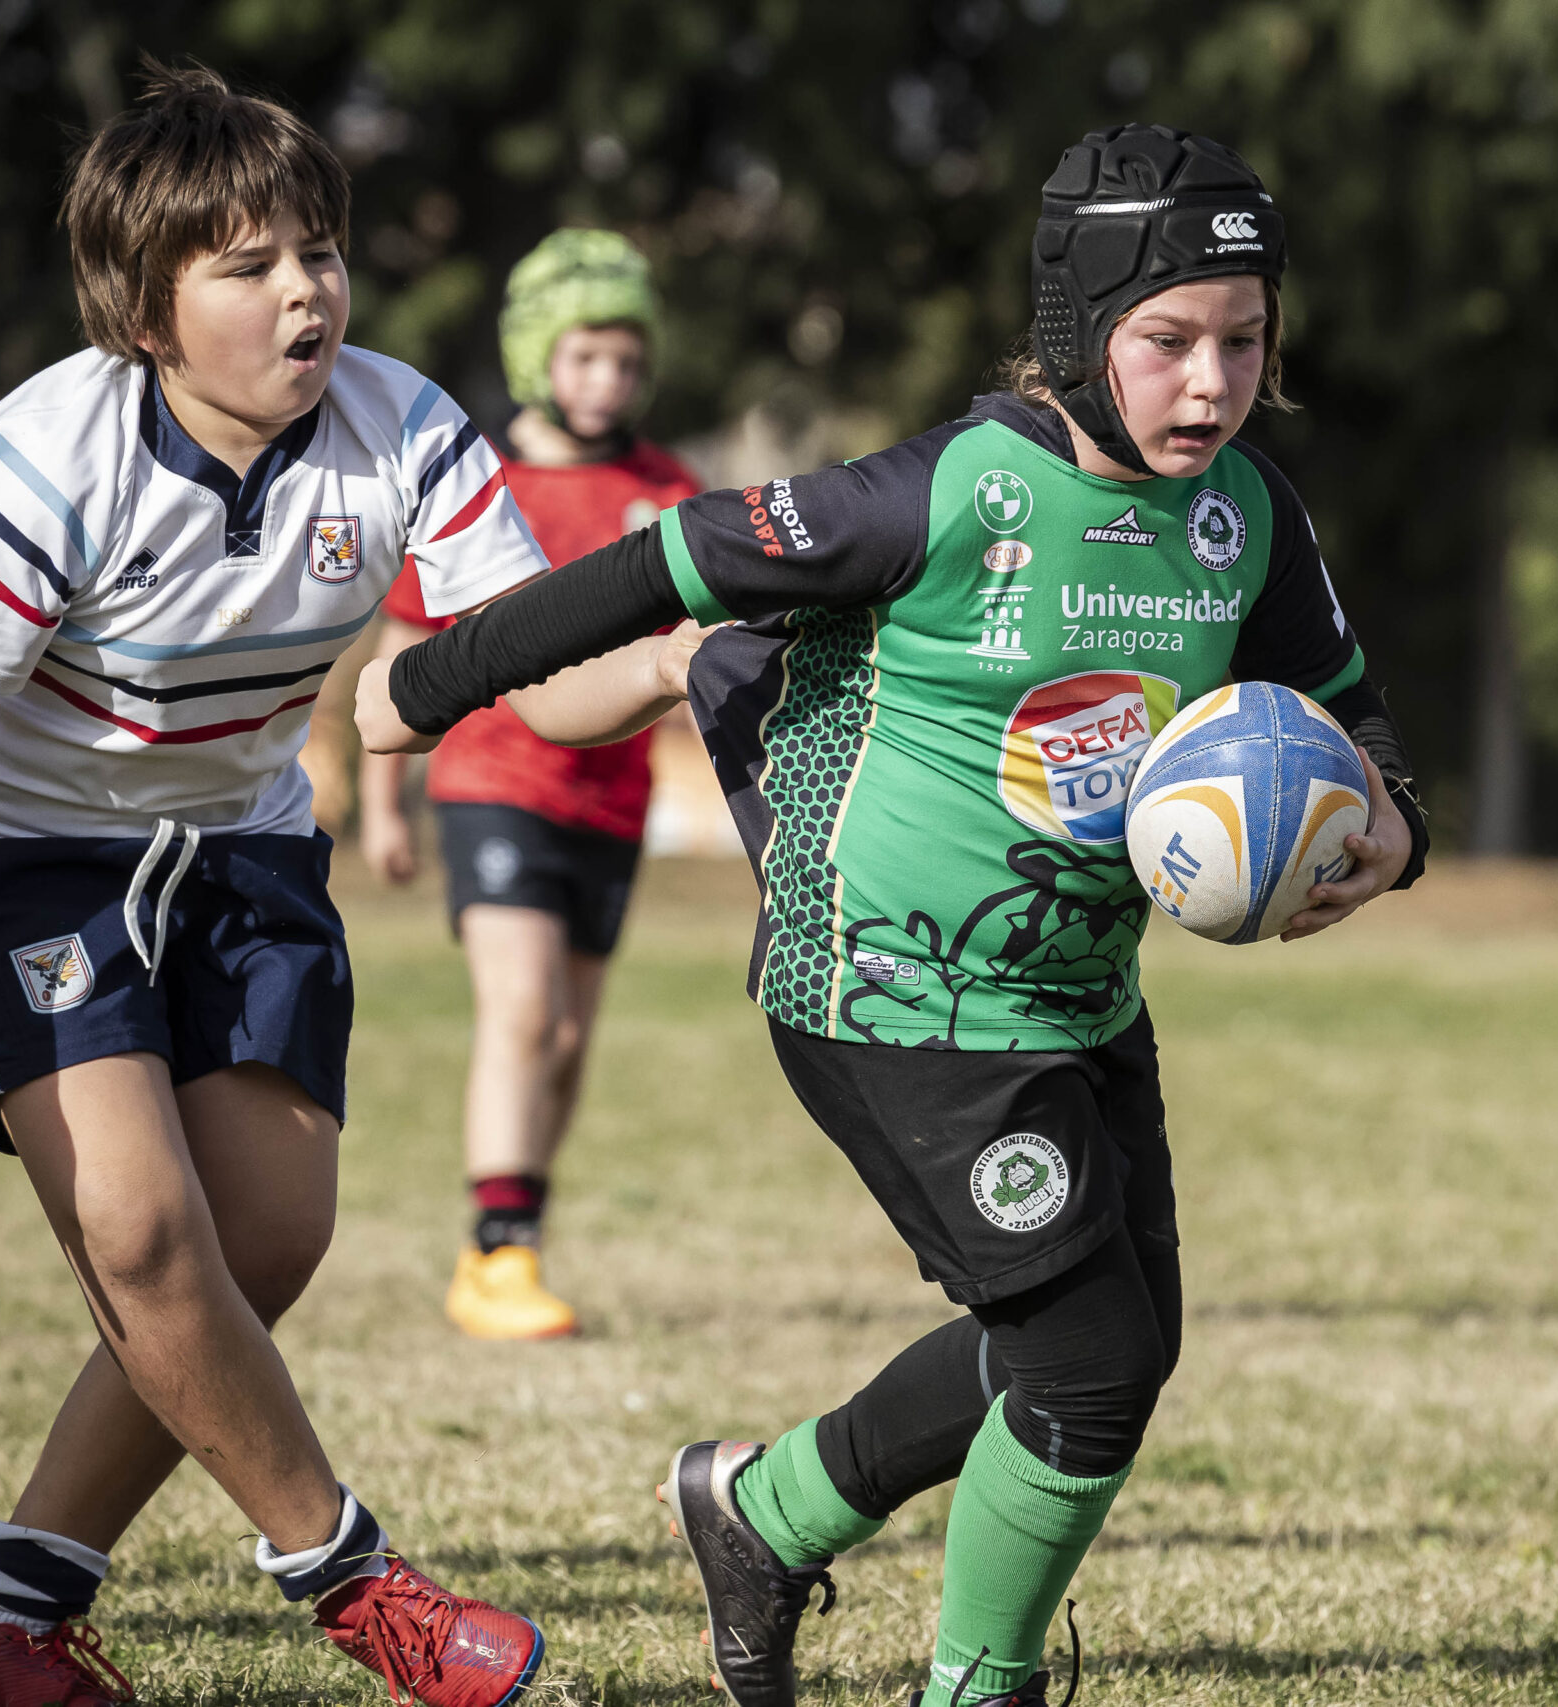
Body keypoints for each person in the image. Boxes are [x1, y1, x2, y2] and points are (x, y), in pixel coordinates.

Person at [359, 126, 1429, 1707]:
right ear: (1078, 332)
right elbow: (659, 567)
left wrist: (1390, 838)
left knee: (1102, 1345)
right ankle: (973, 1685)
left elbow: (1359, 717)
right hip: (885, 991)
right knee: (1088, 1360)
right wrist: (424, 688)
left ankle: (763, 1508)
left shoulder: (1246, 519)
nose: (1211, 383)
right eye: (1168, 341)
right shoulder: (938, 493)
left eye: (1246, 340)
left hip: (1078, 995)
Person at [0, 66, 550, 1707]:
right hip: (17, 850)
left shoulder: (403, 425)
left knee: (258, 1239)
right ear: (146, 308)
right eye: (248, 265)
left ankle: (5, 1627)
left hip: (240, 848)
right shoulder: (50, 465)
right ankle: (350, 1580)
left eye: (318, 250)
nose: (304, 289)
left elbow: (542, 664)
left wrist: (693, 634)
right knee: (138, 1220)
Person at [347, 229, 698, 1341]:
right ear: (538, 354)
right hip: (494, 778)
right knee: (521, 1009)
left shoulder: (666, 489)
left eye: (628, 363)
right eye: (586, 356)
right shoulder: (484, 482)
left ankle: (515, 1242)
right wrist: (378, 805)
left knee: (568, 1038)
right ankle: (495, 1254)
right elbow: (406, 637)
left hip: (614, 799)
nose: (608, 382)